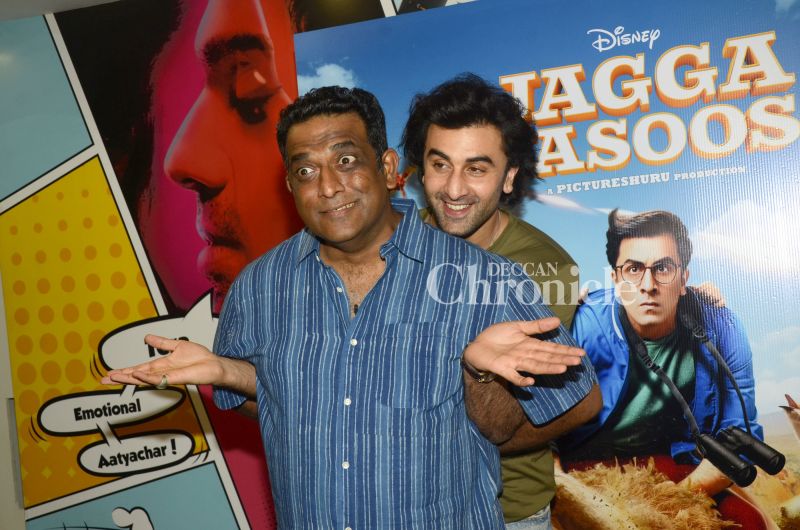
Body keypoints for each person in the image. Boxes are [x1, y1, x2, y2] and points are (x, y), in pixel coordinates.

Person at [104, 85, 596, 528]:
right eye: (305, 170)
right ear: (289, 185)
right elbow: (293, 402)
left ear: (388, 168)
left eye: (345, 160)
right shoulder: (258, 287)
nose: (327, 186)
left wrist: (477, 375)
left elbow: (544, 411)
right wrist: (226, 371)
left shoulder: (489, 277)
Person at [401, 73, 602, 529]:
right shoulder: (392, 247)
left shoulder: (544, 269)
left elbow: (511, 418)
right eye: (440, 164)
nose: (454, 189)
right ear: (420, 170)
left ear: (509, 177)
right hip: (401, 503)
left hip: (506, 512)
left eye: (476, 169)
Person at [560, 209, 762, 498]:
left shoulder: (723, 326)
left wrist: (672, 501)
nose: (648, 286)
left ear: (683, 279)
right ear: (615, 279)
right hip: (581, 464)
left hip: (675, 465)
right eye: (633, 269)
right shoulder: (580, 323)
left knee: (753, 520)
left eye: (663, 269)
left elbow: (741, 435)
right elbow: (539, 430)